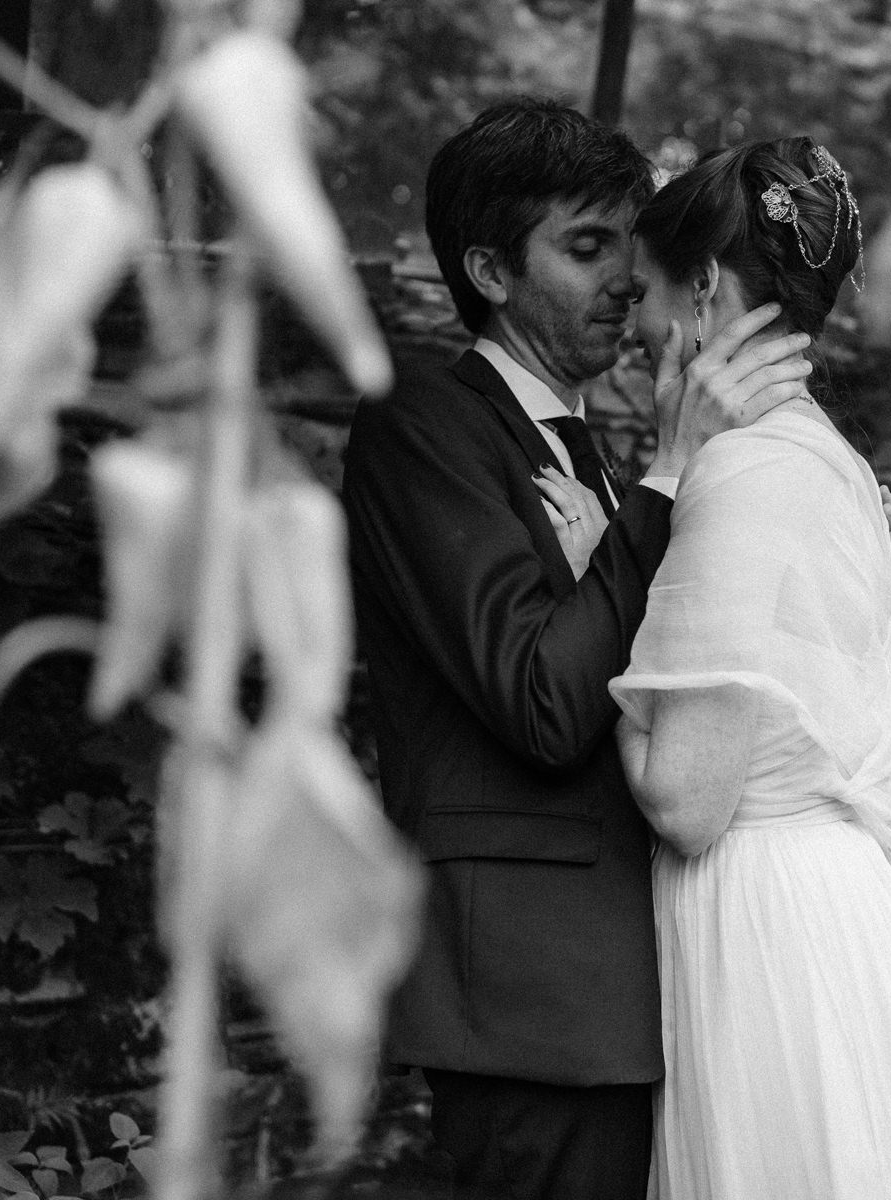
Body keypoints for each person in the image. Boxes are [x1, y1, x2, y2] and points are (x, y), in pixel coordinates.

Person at [341, 98, 826, 1200]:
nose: (625, 277)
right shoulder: (422, 424)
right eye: (587, 245)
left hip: (639, 988)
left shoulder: (592, 451)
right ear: (491, 270)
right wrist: (661, 486)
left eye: (633, 245)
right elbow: (544, 702)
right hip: (533, 996)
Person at [608, 137, 891, 1200]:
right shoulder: (836, 465)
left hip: (771, 937)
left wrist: (608, 651)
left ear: (703, 288)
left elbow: (688, 798)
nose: (632, 329)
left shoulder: (742, 472)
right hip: (849, 918)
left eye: (647, 297)